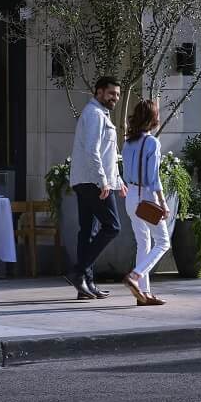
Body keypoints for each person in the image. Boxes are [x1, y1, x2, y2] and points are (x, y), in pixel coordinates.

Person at [67, 76, 125, 301]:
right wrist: (103, 182)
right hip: (94, 182)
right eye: (111, 94)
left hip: (88, 180)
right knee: (113, 227)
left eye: (118, 95)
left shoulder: (100, 114)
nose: (115, 98)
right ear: (98, 92)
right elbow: (93, 151)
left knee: (88, 231)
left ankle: (85, 285)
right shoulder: (94, 114)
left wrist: (118, 181)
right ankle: (79, 271)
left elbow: (109, 153)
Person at [121, 100, 169, 307]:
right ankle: (135, 275)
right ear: (153, 118)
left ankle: (144, 294)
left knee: (144, 243)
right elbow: (153, 178)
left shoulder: (127, 142)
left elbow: (125, 171)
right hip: (145, 197)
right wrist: (163, 203)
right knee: (163, 242)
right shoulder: (152, 143)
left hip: (131, 197)